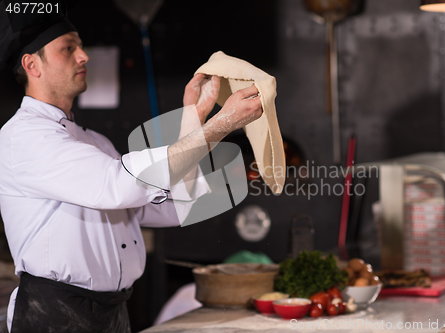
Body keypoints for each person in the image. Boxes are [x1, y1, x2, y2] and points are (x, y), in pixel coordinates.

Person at [0, 5, 263, 333]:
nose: (84, 56)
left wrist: (194, 115)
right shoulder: (24, 137)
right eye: (69, 48)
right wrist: (221, 125)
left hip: (113, 312)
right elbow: (119, 186)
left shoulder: (93, 142)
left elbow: (172, 207)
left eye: (80, 46)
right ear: (32, 64)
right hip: (52, 316)